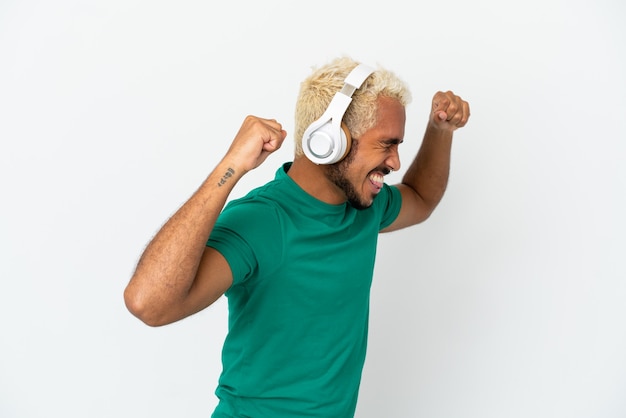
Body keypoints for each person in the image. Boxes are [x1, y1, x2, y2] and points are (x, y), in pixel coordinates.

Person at [124, 56, 470, 417]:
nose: (396, 162)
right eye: (386, 144)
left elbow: (421, 198)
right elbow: (148, 304)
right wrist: (231, 166)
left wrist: (440, 129)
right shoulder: (260, 221)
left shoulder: (366, 206)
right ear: (331, 140)